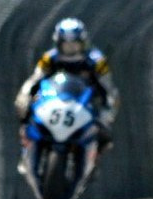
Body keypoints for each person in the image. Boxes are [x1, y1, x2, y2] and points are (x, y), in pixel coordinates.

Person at [13, 18, 119, 157]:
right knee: (26, 117)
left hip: (85, 105)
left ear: (82, 42)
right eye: (66, 45)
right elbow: (36, 78)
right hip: (53, 100)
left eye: (74, 44)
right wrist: (24, 95)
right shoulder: (49, 58)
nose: (70, 49)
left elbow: (109, 88)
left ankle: (92, 157)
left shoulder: (97, 60)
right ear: (58, 43)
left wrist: (107, 113)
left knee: (104, 135)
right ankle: (27, 149)